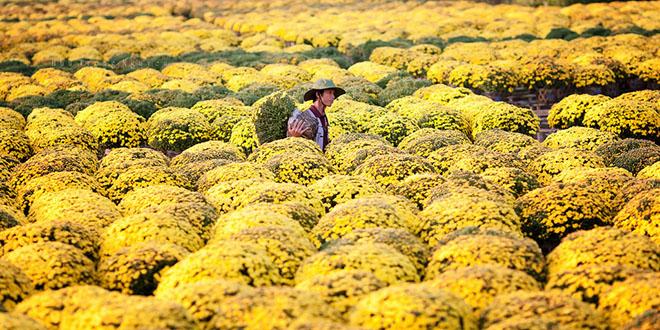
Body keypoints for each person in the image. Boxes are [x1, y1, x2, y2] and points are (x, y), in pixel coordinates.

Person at [287, 79, 345, 151]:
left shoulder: (323, 116)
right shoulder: (306, 118)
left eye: (333, 93)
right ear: (318, 94)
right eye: (329, 93)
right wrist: (294, 137)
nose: (333, 97)